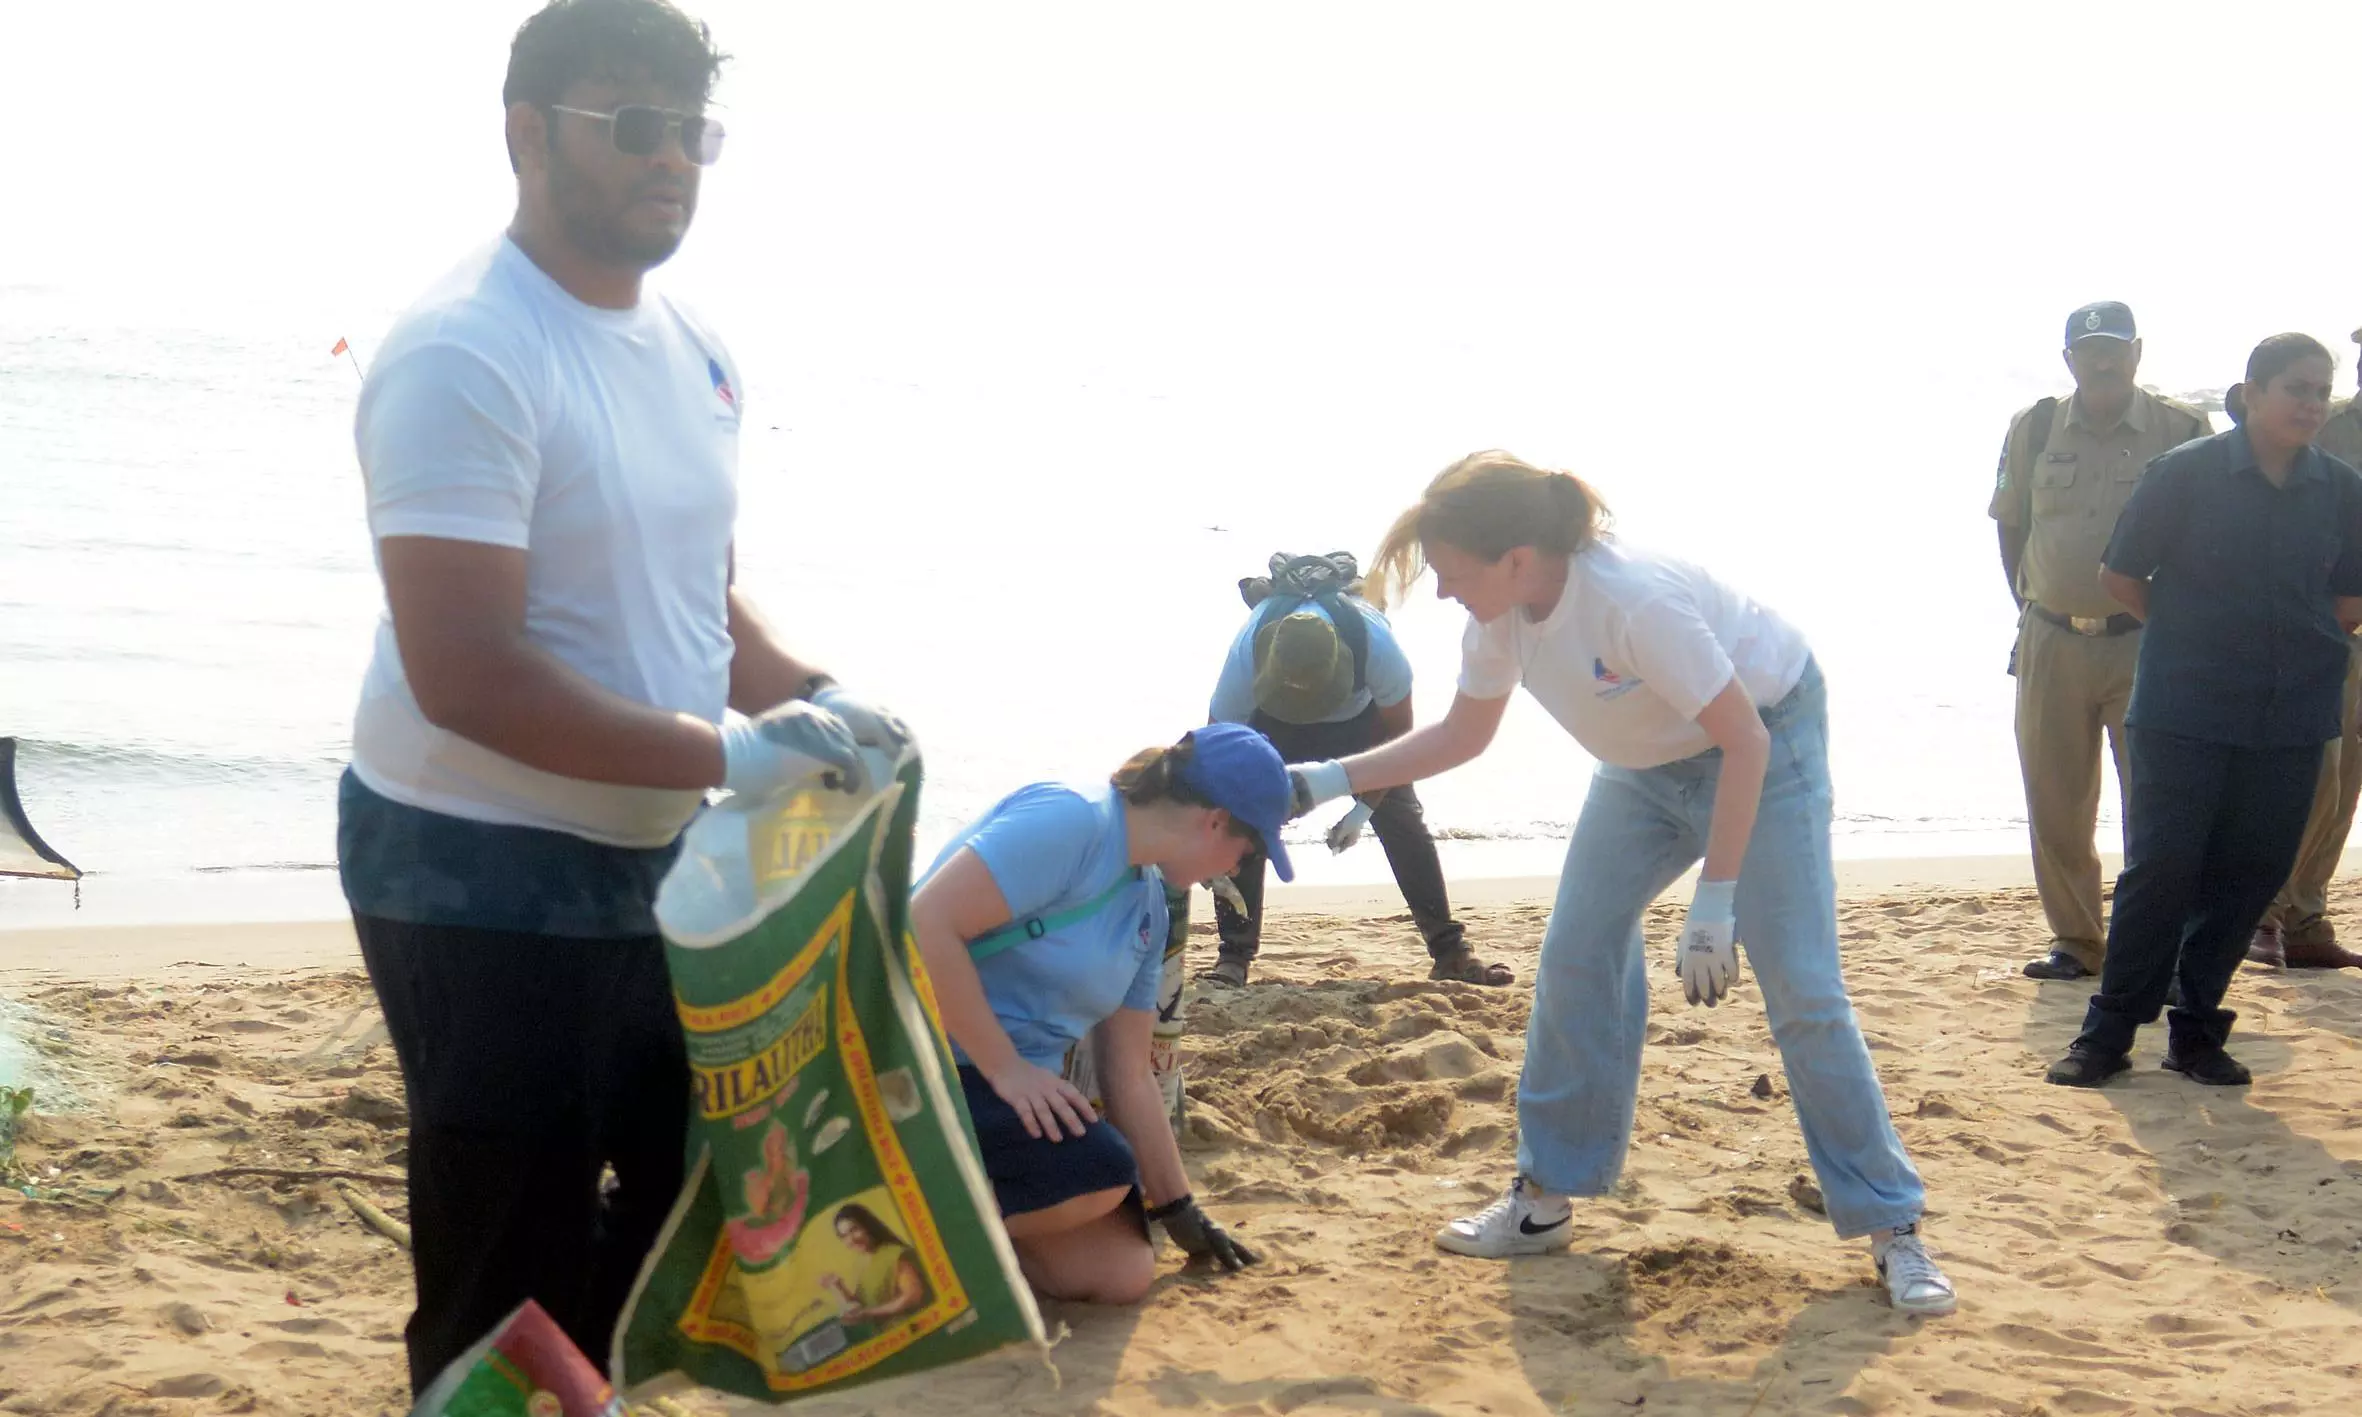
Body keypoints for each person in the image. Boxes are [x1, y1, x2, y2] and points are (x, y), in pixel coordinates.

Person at [336, 0, 908, 1391]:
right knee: (501, 1265)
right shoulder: (465, 352)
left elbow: (692, 600)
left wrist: (817, 702)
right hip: (476, 870)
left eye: (690, 132)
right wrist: (735, 752)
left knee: (672, 1226)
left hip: (663, 861)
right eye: (631, 126)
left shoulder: (696, 345)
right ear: (526, 135)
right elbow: (464, 675)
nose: (670, 161)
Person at [1285, 452, 1955, 1316]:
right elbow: (1461, 736)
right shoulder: (1501, 615)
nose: (1446, 592)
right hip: (1641, 770)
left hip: (1764, 745)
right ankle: (1544, 1199)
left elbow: (1744, 740)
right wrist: (1326, 780)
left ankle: (1894, 1229)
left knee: (1800, 983)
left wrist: (1717, 900)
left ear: (1517, 556)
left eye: (1452, 573)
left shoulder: (1633, 601)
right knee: (1575, 952)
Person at [2045, 334, 2362, 1089]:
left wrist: (2296, 642)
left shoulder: (2344, 490)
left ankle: (2195, 1031)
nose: (2312, 404)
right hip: (2183, 705)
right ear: (2250, 392)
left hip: (2291, 715)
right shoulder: (2183, 473)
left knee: (2250, 874)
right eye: (2295, 388)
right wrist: (2195, 633)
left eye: (2322, 390)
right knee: (2162, 871)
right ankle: (2107, 1034)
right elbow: (2121, 575)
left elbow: (2350, 598)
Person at [909, 726, 1272, 1303]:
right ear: (1216, 820)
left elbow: (1127, 1071)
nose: (1233, 867)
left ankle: (935, 1251)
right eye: (1247, 853)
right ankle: (869, 1221)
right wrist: (1006, 1067)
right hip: (910, 1063)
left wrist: (1179, 1208)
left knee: (1118, 1271)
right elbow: (923, 924)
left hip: (1001, 1097)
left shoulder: (1149, 903)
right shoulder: (1073, 820)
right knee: (1097, 1169)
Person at [1990, 303, 2212, 981]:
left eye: (2114, 348)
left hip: (2149, 643)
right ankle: (2077, 942)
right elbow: (2010, 525)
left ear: (2138, 351)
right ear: (2068, 360)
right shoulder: (2033, 428)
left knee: (2160, 804)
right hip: (2051, 639)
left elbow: (2210, 539)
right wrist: (2034, 606)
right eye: (2088, 351)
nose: (2102, 361)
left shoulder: (2180, 428)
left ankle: (2163, 948)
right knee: (2055, 801)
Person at [1202, 552, 1505, 987]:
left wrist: (1363, 810)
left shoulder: (1378, 650)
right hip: (1272, 723)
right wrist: (1210, 840)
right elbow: (1215, 759)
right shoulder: (1245, 658)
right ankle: (1233, 957)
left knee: (1399, 812)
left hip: (1360, 723)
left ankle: (1449, 951)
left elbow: (1402, 749)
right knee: (1244, 809)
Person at [2247, 332, 2362, 971]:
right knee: (2314, 772)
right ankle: (2263, 911)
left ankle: (2307, 916)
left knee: (2346, 786)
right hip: (2332, 629)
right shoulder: (2331, 433)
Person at [819, 1204, 929, 1331]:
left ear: (867, 1226)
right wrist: (838, 1286)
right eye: (844, 1236)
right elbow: (862, 1307)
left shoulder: (894, 1254)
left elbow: (912, 1296)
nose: (851, 1239)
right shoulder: (863, 1264)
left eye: (854, 1230)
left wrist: (868, 1313)